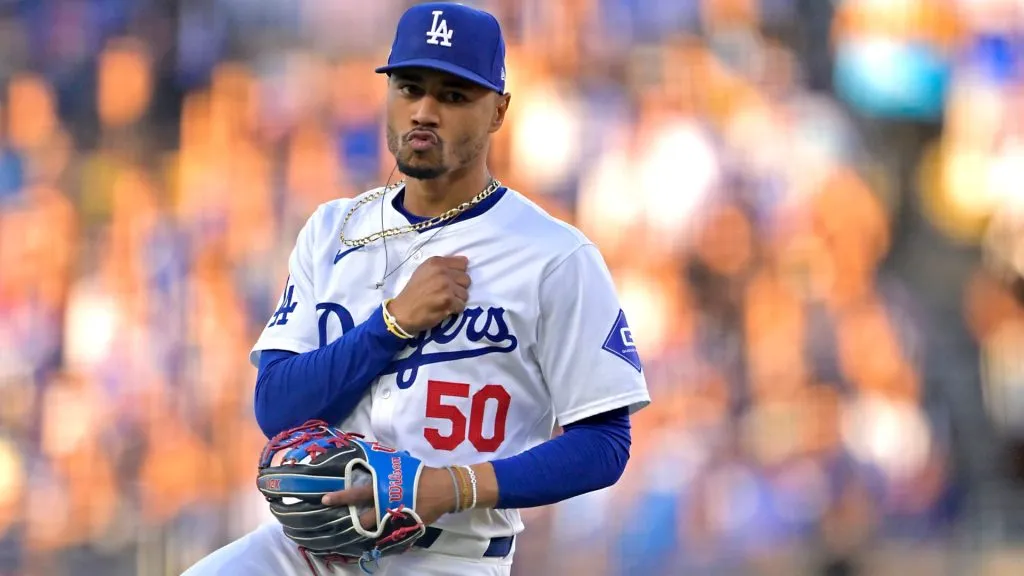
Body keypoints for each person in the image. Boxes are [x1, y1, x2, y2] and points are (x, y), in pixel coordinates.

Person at [182, 3, 650, 575]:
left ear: (499, 110)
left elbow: (605, 443)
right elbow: (277, 406)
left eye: (453, 96)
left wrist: (449, 486)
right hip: (306, 551)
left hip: (449, 557)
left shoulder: (555, 256)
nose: (424, 110)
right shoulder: (332, 230)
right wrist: (390, 325)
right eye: (409, 88)